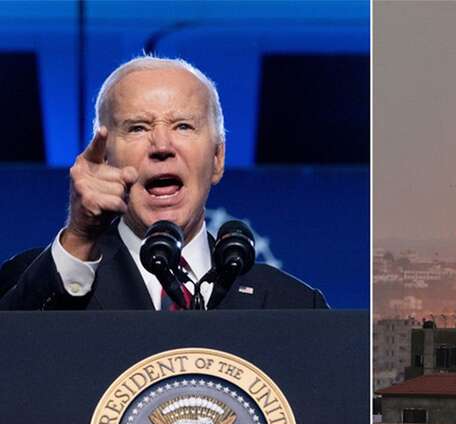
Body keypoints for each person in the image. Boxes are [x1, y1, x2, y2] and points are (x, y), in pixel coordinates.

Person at [0, 56, 327, 311]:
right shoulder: (37, 278)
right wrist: (81, 236)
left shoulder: (293, 303)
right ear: (105, 161)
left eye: (183, 126)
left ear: (217, 159)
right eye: (138, 128)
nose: (161, 147)